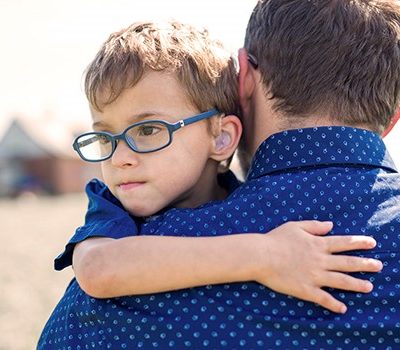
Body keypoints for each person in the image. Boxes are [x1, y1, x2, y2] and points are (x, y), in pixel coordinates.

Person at [38, 1, 400, 346]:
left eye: (148, 130)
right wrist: (265, 255)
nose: (120, 158)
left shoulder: (88, 317)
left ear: (224, 133)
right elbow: (97, 268)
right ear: (393, 115)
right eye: (104, 137)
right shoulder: (115, 212)